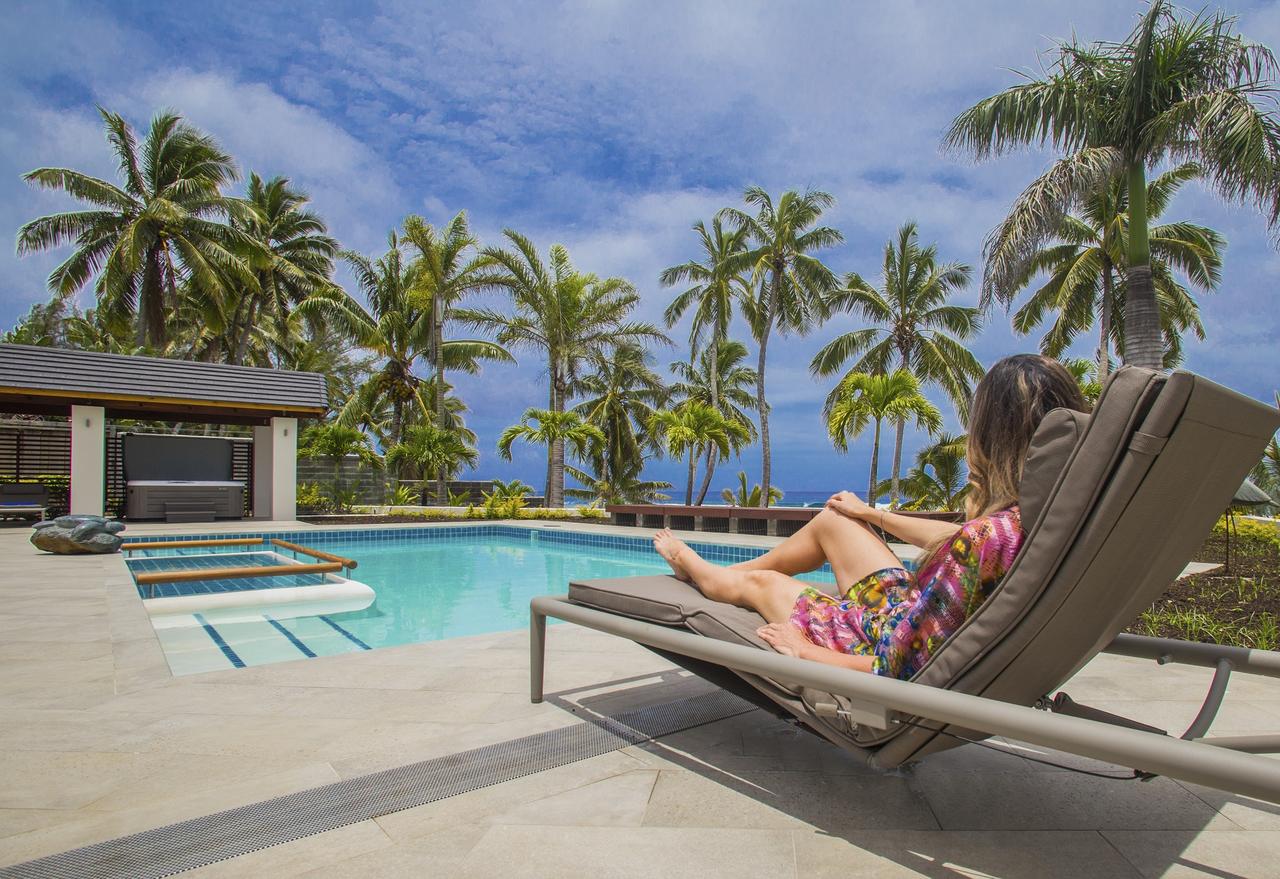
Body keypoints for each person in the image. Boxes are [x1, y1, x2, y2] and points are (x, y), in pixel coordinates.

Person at [652, 354, 1088, 680]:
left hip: (882, 640)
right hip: (905, 614)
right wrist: (872, 515)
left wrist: (805, 652)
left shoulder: (986, 539)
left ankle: (706, 573)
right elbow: (960, 538)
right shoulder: (1047, 518)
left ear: (993, 438)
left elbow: (901, 671)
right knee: (837, 519)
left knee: (763, 585)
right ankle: (726, 572)